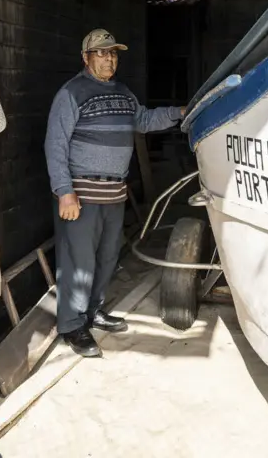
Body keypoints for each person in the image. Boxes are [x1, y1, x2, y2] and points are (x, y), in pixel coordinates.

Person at [45, 29, 186, 357]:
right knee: (78, 262)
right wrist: (64, 191)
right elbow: (55, 144)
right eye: (101, 53)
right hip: (82, 194)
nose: (109, 59)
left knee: (107, 257)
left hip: (114, 194)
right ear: (86, 58)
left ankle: (93, 311)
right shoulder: (71, 93)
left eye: (113, 53)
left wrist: (180, 112)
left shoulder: (123, 93)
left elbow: (145, 120)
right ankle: (72, 325)